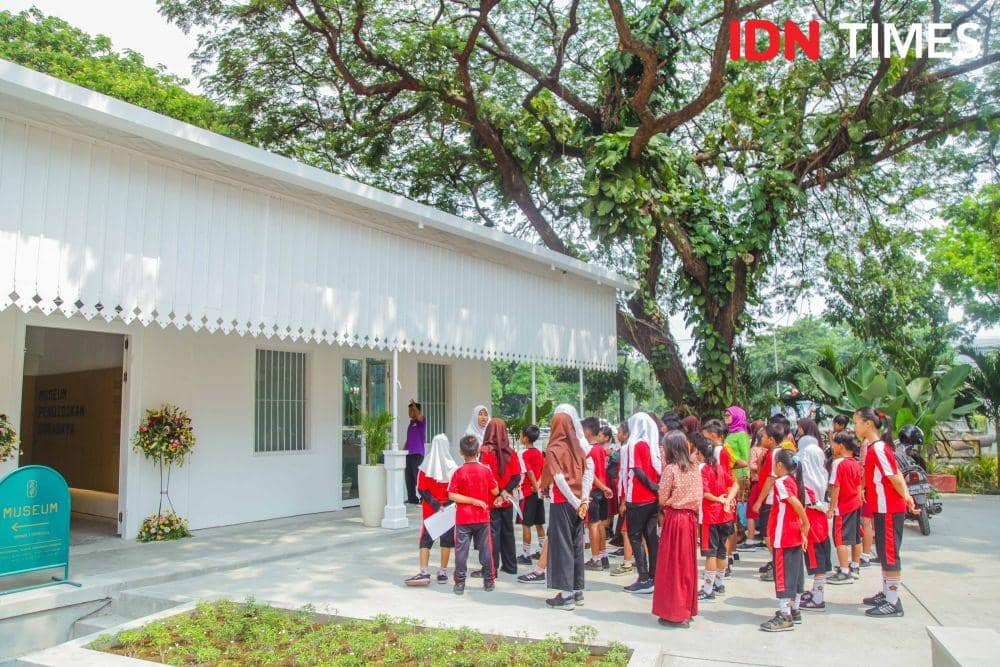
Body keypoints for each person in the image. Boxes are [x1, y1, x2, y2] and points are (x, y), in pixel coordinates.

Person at [855, 407, 917, 617]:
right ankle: (887, 592)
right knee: (884, 552)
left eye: (857, 423)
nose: (855, 427)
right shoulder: (877, 447)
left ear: (868, 424)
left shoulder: (879, 449)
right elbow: (895, 472)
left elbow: (894, 476)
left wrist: (905, 496)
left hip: (889, 508)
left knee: (890, 554)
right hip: (882, 508)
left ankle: (893, 601)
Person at [538, 411, 592, 610]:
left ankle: (566, 595)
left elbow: (559, 479)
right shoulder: (577, 446)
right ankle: (577, 590)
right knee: (576, 545)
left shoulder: (553, 448)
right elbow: (587, 473)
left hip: (562, 503)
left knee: (563, 547)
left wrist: (574, 501)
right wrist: (583, 501)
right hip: (579, 503)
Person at [652, 430, 703, 628]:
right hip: (690, 520)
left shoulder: (671, 470)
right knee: (686, 565)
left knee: (672, 566)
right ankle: (686, 610)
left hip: (675, 519)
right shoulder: (694, 467)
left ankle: (674, 612)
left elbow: (663, 498)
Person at [759, 449, 810, 632]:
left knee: (783, 576)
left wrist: (806, 523)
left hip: (783, 536)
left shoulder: (781, 482)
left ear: (779, 465)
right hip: (793, 535)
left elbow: (794, 503)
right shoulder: (792, 481)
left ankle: (785, 615)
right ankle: (794, 609)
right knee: (795, 574)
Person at [448, 435, 499, 595]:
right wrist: (477, 500)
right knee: (485, 549)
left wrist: (470, 500)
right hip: (482, 517)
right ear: (478, 451)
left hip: (463, 518)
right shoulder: (486, 470)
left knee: (461, 551)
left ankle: (460, 583)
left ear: (461, 453)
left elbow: (452, 495)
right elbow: (495, 491)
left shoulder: (458, 472)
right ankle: (489, 580)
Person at [405, 434, 457, 586]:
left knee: (425, 540)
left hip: (430, 510)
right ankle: (442, 573)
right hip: (447, 511)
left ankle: (424, 572)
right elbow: (455, 490)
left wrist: (434, 503)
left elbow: (421, 488)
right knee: (446, 541)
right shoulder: (453, 467)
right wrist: (445, 504)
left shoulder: (426, 465)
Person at [621, 412, 662, 595]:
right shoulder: (651, 444)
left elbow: (636, 470)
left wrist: (651, 486)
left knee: (635, 537)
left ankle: (643, 577)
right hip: (652, 499)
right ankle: (654, 576)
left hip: (637, 498)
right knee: (652, 537)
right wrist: (655, 489)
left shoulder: (634, 444)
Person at [693, 436, 737, 601]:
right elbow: (735, 484)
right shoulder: (718, 467)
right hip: (725, 515)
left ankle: (708, 588)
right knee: (721, 551)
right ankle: (719, 583)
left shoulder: (702, 468)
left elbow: (704, 493)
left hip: (710, 516)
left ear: (699, 453)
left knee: (710, 553)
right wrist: (727, 498)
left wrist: (719, 499)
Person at [479, 417, 522, 576]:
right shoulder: (511, 452)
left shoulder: (485, 452)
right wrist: (504, 492)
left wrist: (497, 493)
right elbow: (517, 477)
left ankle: (492, 568)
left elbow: (485, 477)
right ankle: (511, 566)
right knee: (508, 532)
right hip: (507, 500)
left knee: (492, 535)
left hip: (491, 500)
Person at [796, 430, 831, 611]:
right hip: (820, 518)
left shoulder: (806, 480)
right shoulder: (822, 475)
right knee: (820, 553)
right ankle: (817, 592)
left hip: (810, 518)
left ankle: (818, 598)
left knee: (815, 557)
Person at [827, 432, 863, 584]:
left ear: (841, 446)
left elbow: (836, 488)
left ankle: (844, 571)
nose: (832, 447)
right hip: (855, 503)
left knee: (840, 539)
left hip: (843, 506)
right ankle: (854, 566)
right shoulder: (855, 462)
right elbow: (859, 484)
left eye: (834, 444)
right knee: (855, 537)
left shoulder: (838, 463)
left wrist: (831, 508)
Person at [750, 420, 785, 581]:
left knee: (768, 534)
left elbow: (771, 479)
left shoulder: (774, 455)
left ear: (771, 439)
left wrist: (759, 501)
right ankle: (776, 561)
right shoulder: (773, 453)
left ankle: (779, 564)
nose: (760, 439)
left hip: (771, 500)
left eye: (763, 437)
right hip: (772, 499)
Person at [582, 417, 614, 571]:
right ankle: (602, 555)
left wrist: (602, 487)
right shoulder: (601, 449)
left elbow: (590, 475)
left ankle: (595, 559)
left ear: (587, 432)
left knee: (593, 525)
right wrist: (605, 488)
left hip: (594, 490)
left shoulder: (589, 450)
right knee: (601, 524)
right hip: (601, 490)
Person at [517, 425, 546, 566]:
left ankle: (526, 555)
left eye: (521, 435)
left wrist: (534, 486)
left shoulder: (522, 454)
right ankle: (543, 551)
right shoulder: (540, 453)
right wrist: (539, 487)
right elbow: (543, 470)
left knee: (526, 524)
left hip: (527, 492)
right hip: (538, 493)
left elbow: (529, 472)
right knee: (539, 523)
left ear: (526, 438)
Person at [611, 421, 636, 577]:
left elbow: (628, 477)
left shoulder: (627, 450)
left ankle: (627, 563)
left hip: (629, 498)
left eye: (619, 432)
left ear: (626, 434)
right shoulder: (627, 449)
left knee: (626, 531)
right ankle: (641, 560)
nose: (617, 434)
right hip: (630, 496)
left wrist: (623, 501)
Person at [404, 400, 427, 505]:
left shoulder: (421, 421)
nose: (409, 412)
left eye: (411, 410)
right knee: (409, 478)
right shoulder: (410, 424)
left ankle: (424, 498)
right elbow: (409, 440)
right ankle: (412, 498)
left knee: (418, 477)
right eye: (409, 410)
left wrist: (414, 405)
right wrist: (403, 450)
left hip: (417, 454)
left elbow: (419, 415)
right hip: (408, 454)